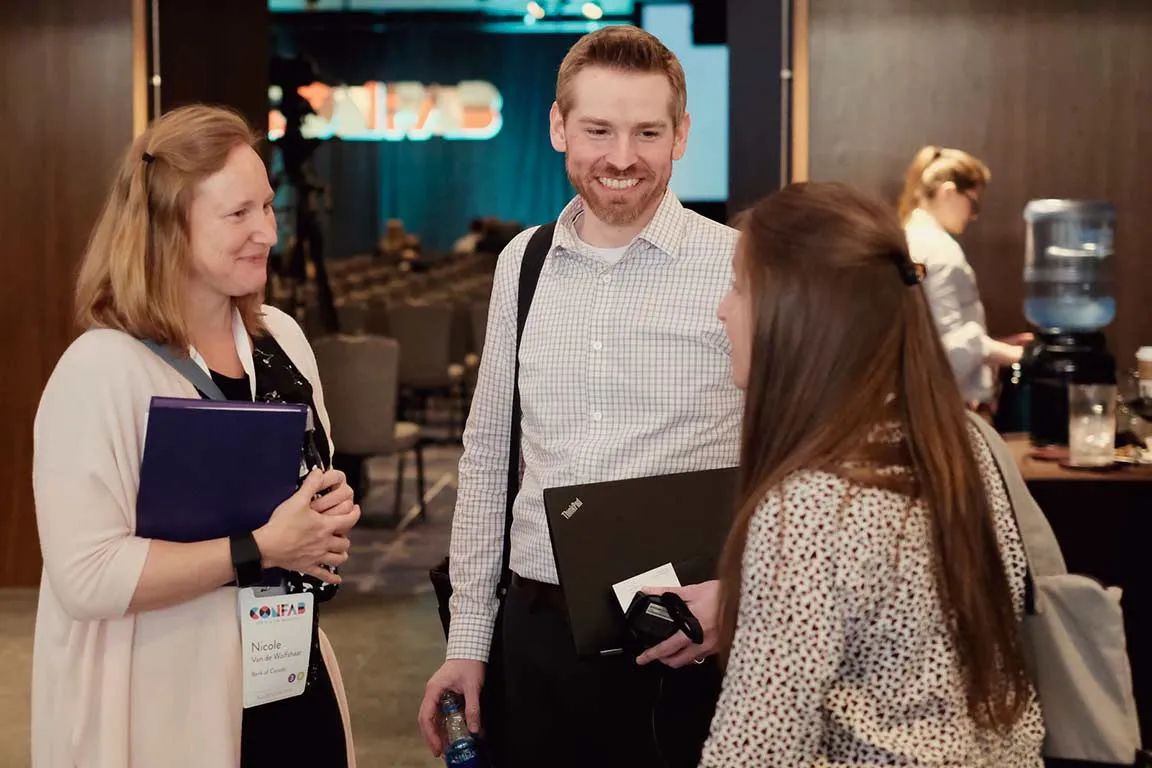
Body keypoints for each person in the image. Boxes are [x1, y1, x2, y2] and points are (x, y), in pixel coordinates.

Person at [417, 25, 743, 768]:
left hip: (682, 631)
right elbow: (489, 457)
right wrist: (469, 642)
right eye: (598, 129)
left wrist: (742, 588)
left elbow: (798, 457)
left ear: (681, 135)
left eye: (647, 132)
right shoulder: (522, 263)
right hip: (537, 627)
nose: (622, 157)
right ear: (560, 127)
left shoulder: (737, 266)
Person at [31, 104, 361, 767]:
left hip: (288, 676)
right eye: (237, 214)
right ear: (166, 228)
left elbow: (306, 503)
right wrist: (263, 547)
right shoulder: (102, 370)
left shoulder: (281, 339)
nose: (266, 231)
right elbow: (87, 576)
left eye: (268, 207)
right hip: (163, 701)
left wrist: (327, 514)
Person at [702, 181, 1044, 765]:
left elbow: (754, 752)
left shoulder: (810, 505)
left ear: (798, 313)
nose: (723, 308)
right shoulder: (962, 444)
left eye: (739, 286)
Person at [897, 146, 1032, 409]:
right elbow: (947, 347)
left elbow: (934, 329)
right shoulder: (940, 250)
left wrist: (993, 346)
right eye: (973, 202)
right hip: (944, 405)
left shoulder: (909, 237)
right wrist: (1020, 357)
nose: (973, 215)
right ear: (948, 192)